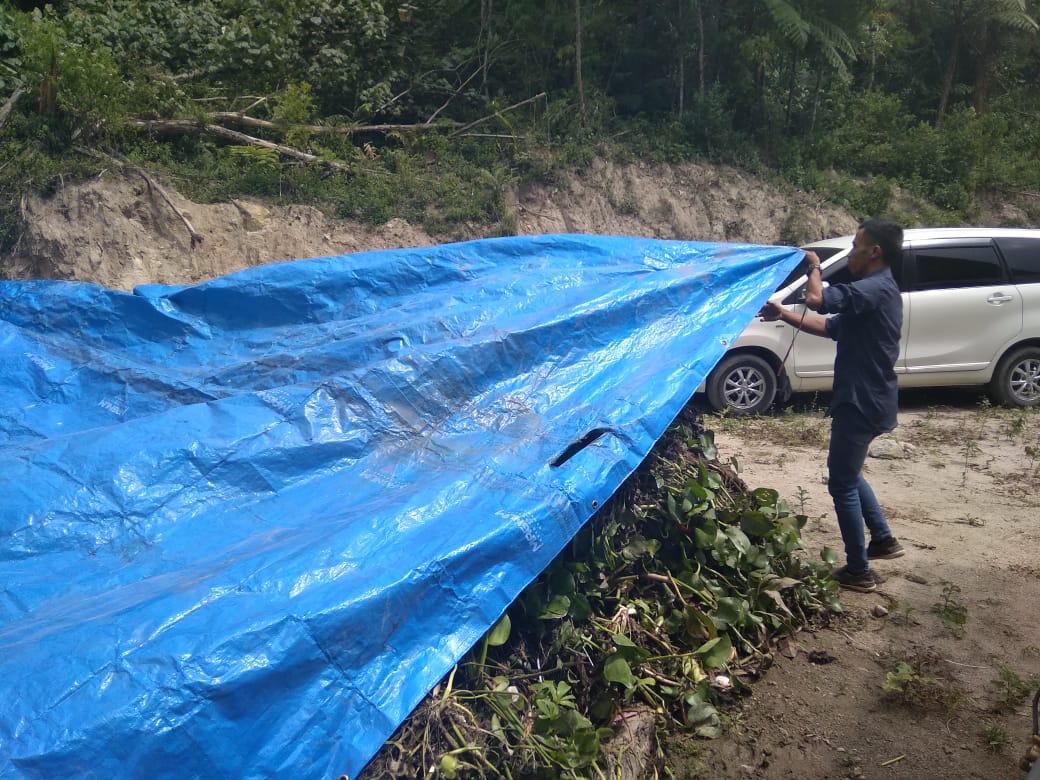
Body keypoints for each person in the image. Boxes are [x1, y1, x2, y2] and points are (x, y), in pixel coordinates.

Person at [760, 219, 906, 592]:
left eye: (856, 244)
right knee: (850, 472)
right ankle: (883, 541)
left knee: (841, 482)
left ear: (875, 251)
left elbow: (817, 300)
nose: (852, 251)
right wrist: (782, 315)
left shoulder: (873, 288)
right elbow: (828, 326)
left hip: (861, 401)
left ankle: (858, 571)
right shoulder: (878, 291)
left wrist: (813, 264)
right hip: (870, 398)